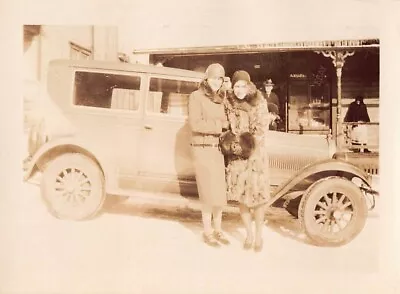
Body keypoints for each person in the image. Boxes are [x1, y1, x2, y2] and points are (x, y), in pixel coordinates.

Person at [224, 70, 271, 252]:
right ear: (232, 86)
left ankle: (259, 236)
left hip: (255, 156)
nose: (240, 89)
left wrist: (248, 148)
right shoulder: (229, 103)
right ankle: (249, 235)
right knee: (242, 198)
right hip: (237, 157)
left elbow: (260, 130)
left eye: (243, 85)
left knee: (257, 198)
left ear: (249, 86)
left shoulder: (259, 102)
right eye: (237, 86)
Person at [188, 63, 231, 247]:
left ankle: (218, 230)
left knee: (219, 193)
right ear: (206, 79)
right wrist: (219, 125)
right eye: (213, 78)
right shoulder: (196, 96)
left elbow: (229, 121)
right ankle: (207, 231)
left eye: (220, 79)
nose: (216, 82)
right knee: (207, 193)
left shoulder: (222, 98)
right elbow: (196, 124)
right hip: (203, 148)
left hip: (217, 150)